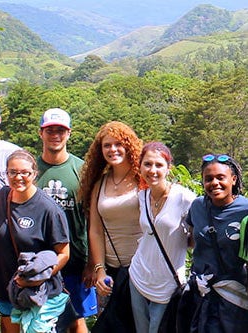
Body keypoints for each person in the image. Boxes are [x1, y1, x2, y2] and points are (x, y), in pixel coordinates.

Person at [0, 149, 71, 333]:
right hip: (6, 289)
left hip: (37, 294)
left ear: (34, 174)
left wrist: (35, 278)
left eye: (24, 172)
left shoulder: (48, 209)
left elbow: (64, 253)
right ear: (6, 173)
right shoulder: (1, 198)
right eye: (13, 172)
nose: (18, 177)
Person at [36, 108, 97, 333]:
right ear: (41, 133)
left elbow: (93, 220)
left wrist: (92, 262)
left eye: (60, 130)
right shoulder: (30, 171)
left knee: (76, 320)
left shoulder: (82, 170)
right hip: (41, 264)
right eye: (50, 130)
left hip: (76, 263)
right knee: (42, 322)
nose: (55, 135)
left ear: (69, 133)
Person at [79, 121, 142, 332]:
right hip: (111, 274)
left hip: (142, 270)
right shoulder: (100, 184)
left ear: (129, 146)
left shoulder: (143, 179)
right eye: (107, 145)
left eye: (118, 144)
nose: (112, 149)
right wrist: (99, 270)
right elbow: (95, 230)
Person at [128, 142, 196, 332]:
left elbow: (197, 236)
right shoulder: (142, 196)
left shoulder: (185, 198)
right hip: (139, 276)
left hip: (168, 282)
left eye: (159, 165)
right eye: (147, 164)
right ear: (140, 166)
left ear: (169, 168)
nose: (153, 170)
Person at [178, 153, 248, 333]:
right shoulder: (197, 206)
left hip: (233, 298)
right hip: (200, 294)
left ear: (233, 179)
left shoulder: (245, 210)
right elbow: (194, 241)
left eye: (220, 177)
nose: (214, 183)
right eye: (208, 179)